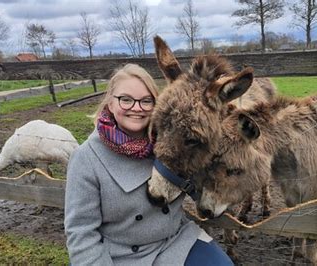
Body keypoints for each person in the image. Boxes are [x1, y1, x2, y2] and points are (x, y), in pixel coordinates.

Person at [64, 63, 233, 266]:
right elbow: (81, 233)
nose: (136, 108)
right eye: (126, 100)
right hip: (125, 255)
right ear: (110, 102)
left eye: (146, 101)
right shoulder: (86, 158)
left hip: (176, 241)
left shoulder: (171, 140)